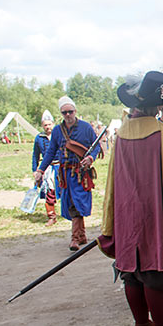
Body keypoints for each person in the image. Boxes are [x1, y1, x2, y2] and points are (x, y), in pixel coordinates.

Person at [97, 71, 163, 326]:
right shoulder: (162, 134)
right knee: (154, 272)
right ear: (156, 105)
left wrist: (113, 220)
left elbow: (113, 180)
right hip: (155, 215)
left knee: (131, 274)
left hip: (127, 215)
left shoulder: (121, 135)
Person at [35, 96, 100, 250]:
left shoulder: (85, 128)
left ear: (75, 111)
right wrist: (40, 170)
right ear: (61, 114)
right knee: (70, 203)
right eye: (65, 113)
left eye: (70, 112)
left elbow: (96, 146)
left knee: (78, 204)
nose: (68, 115)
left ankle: (75, 238)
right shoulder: (58, 130)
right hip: (65, 174)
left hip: (81, 174)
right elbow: (50, 152)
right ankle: (81, 235)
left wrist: (91, 157)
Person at [32, 110, 60, 226]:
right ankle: (51, 216)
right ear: (42, 126)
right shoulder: (39, 138)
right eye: (45, 125)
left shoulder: (59, 134)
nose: (48, 127)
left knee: (66, 190)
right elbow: (35, 154)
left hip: (60, 165)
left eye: (49, 124)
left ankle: (71, 214)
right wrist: (35, 170)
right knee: (49, 191)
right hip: (47, 168)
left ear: (52, 124)